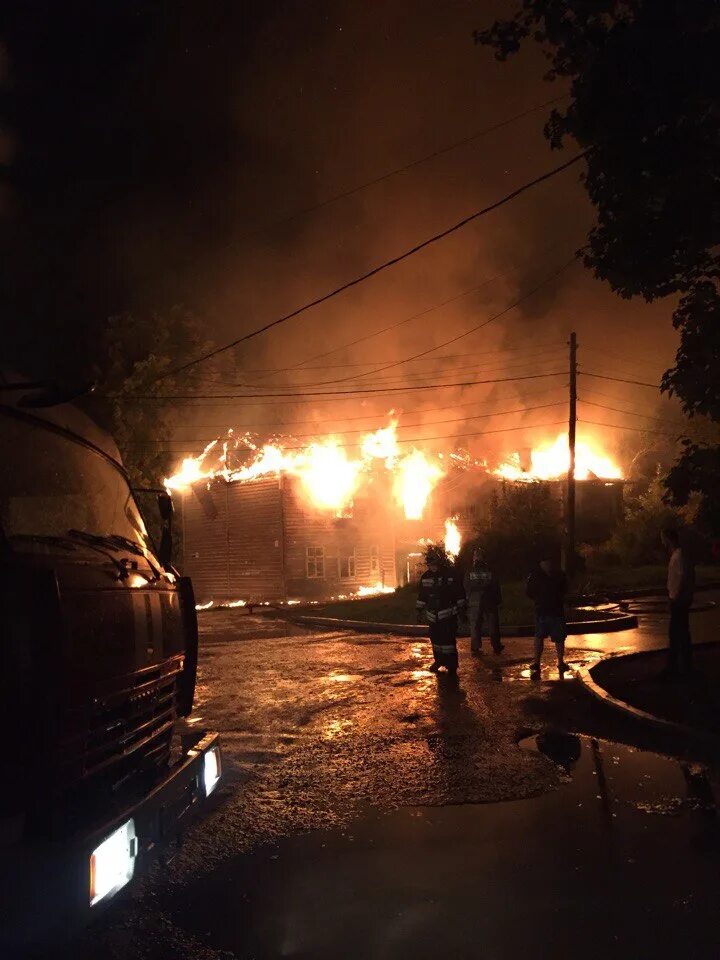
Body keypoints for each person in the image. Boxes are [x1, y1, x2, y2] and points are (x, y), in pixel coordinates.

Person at [416, 544, 466, 674]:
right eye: (430, 564)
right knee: (436, 640)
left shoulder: (449, 574)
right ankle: (439, 660)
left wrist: (461, 610)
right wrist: (419, 611)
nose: (432, 566)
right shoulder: (426, 577)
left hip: (448, 614)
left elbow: (459, 593)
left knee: (448, 641)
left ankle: (452, 665)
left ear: (439, 563)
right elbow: (422, 595)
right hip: (433, 616)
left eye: (434, 564)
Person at [526, 556, 569, 678]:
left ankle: (560, 662)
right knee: (539, 636)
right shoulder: (535, 576)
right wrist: (539, 600)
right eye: (545, 562)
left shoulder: (559, 575)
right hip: (542, 611)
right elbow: (529, 591)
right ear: (541, 563)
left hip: (556, 611)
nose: (547, 564)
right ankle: (536, 662)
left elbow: (564, 589)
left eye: (549, 562)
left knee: (559, 638)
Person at [661, 527, 695, 678]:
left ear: (669, 539)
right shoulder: (677, 555)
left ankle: (674, 668)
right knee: (681, 633)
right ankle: (684, 666)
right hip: (679, 598)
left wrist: (674, 598)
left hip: (679, 600)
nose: (662, 541)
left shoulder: (678, 556)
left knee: (676, 634)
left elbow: (681, 578)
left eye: (663, 538)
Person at [463, 548, 504, 655]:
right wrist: (498, 599)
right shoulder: (489, 570)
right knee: (492, 624)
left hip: (475, 602)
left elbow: (466, 586)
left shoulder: (470, 570)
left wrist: (467, 599)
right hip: (489, 601)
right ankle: (496, 646)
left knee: (475, 625)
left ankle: (475, 647)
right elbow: (495, 585)